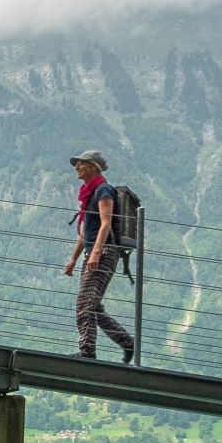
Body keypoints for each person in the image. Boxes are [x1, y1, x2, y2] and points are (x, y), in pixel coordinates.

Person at [59, 149, 135, 362]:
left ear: (94, 166)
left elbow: (105, 224)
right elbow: (85, 232)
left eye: (81, 163)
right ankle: (128, 343)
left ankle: (87, 351)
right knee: (94, 306)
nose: (77, 167)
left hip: (103, 253)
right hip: (93, 253)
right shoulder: (89, 194)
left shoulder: (103, 191)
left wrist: (95, 253)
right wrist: (73, 260)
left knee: (85, 303)